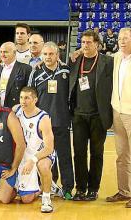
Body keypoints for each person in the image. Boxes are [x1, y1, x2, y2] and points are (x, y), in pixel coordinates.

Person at [69, 30, 113, 201]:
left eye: (88, 42)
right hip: (78, 115)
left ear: (97, 44)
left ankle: (93, 189)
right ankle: (80, 188)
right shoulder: (75, 60)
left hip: (98, 116)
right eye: (83, 42)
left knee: (97, 154)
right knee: (79, 154)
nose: (85, 45)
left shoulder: (108, 62)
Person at [28, 42, 74, 199]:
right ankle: (50, 185)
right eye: (45, 54)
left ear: (57, 55)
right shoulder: (36, 73)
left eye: (51, 54)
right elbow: (30, 97)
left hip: (62, 121)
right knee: (46, 156)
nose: (48, 57)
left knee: (64, 156)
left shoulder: (66, 71)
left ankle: (67, 188)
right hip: (43, 124)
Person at [13, 87, 55, 213]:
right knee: (26, 199)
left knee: (42, 166)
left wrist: (33, 160)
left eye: (27, 98)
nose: (23, 101)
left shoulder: (43, 118)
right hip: (24, 155)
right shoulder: (16, 111)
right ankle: (40, 187)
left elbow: (49, 148)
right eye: (21, 97)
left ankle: (47, 197)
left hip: (41, 154)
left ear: (35, 99)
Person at [106, 28, 131, 208]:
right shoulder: (115, 58)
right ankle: (124, 191)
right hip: (117, 111)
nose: (122, 41)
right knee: (121, 154)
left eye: (126, 38)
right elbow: (94, 57)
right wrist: (77, 52)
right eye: (120, 38)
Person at [0, 42, 32, 108]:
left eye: (5, 52)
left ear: (14, 53)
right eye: (1, 52)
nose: (2, 54)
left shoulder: (25, 69)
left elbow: (29, 92)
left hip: (16, 110)